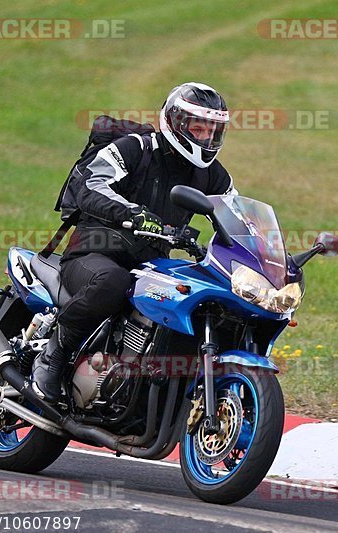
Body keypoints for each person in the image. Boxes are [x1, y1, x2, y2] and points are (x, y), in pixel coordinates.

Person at [30, 82, 237, 404]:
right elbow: (89, 185)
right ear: (176, 122)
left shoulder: (214, 176)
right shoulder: (135, 148)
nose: (206, 138)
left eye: (213, 131)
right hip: (94, 250)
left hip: (152, 263)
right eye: (198, 128)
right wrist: (134, 213)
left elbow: (235, 218)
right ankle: (54, 355)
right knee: (113, 282)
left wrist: (263, 253)